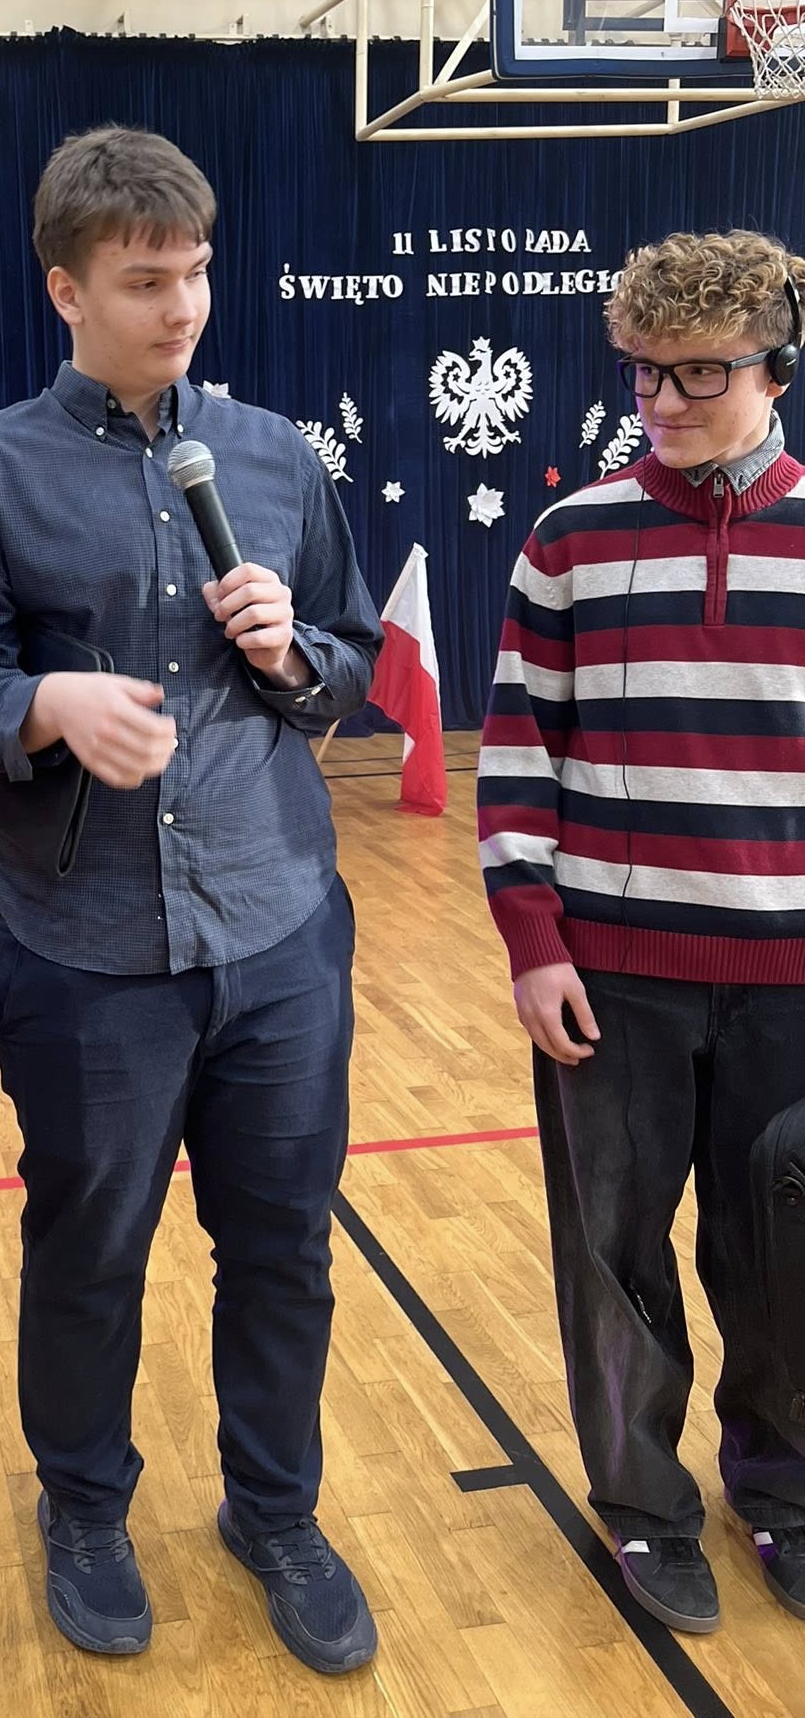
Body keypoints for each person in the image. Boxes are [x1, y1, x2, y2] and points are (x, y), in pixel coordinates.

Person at [0, 126, 384, 1677]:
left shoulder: (276, 457)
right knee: (91, 1248)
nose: (180, 306)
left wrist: (295, 654)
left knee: (284, 1248)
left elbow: (352, 663)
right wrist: (47, 706)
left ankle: (276, 1512)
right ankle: (86, 1509)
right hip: (89, 945)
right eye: (141, 281)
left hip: (279, 924)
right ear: (66, 289)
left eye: (195, 272)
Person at [479, 228, 805, 1635]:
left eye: (699, 373)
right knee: (613, 1254)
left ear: (776, 368)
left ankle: (784, 1490)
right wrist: (534, 942)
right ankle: (644, 1509)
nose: (664, 401)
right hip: (613, 979)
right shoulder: (571, 539)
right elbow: (516, 754)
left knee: (784, 1256)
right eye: (645, 374)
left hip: (791, 983)